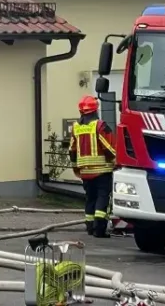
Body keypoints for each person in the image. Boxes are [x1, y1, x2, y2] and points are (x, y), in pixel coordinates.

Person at [69, 96, 115, 238]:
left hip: (85, 172)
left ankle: (90, 227)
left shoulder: (76, 127)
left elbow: (72, 150)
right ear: (95, 110)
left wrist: (76, 168)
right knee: (102, 198)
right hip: (102, 170)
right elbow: (108, 147)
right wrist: (117, 161)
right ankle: (99, 229)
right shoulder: (100, 126)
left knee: (90, 198)